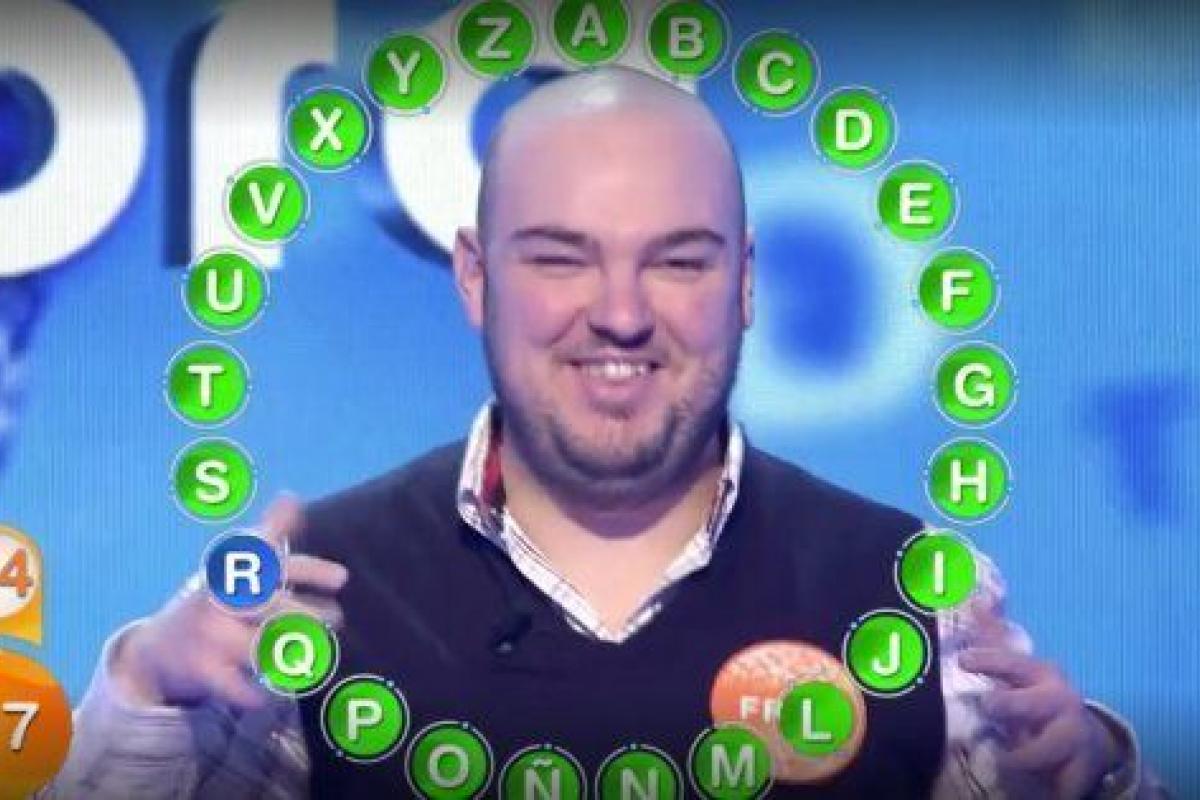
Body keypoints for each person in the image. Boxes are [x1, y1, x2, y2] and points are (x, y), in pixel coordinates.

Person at [48, 66, 1166, 799]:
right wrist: (147, 690)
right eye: (560, 257)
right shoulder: (304, 601)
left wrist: (1100, 773)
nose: (621, 312)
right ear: (476, 279)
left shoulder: (917, 589)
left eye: (677, 259)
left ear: (744, 284)